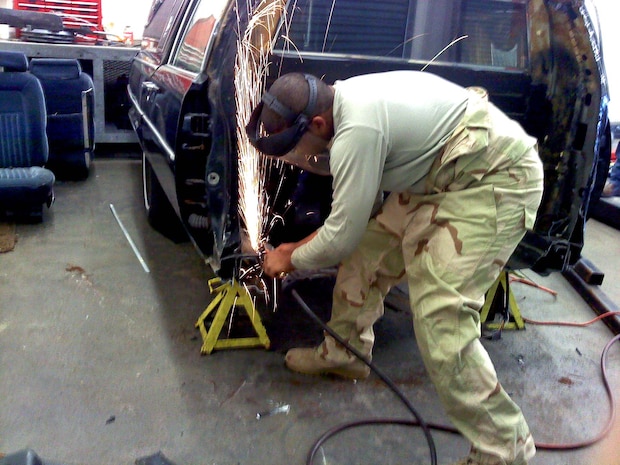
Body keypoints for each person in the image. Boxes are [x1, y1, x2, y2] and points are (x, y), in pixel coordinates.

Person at [246, 71, 544, 465]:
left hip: (492, 178)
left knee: (442, 316)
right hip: (436, 174)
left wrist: (288, 257)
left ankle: (504, 450)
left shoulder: (356, 132)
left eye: (301, 144)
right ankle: (345, 353)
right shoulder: (339, 102)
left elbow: (338, 237)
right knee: (366, 256)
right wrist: (295, 247)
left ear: (317, 124)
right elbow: (351, 228)